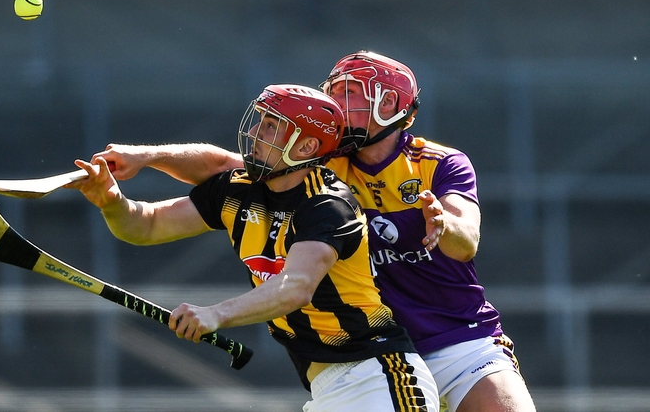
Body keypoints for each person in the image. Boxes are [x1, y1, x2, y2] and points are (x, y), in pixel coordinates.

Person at [87, 52, 537, 412]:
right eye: (335, 93)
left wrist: (441, 225)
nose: (341, 106)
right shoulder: (314, 159)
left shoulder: (438, 163)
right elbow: (221, 166)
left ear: (391, 107)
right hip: (359, 354)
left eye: (354, 96)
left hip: (455, 339)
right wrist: (141, 157)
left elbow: (466, 241)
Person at [68, 84, 439, 412]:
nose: (258, 132)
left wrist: (216, 314)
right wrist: (112, 203)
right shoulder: (237, 190)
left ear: (308, 146)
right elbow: (145, 226)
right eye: (261, 121)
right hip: (324, 384)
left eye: (273, 126)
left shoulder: (328, 204)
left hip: (378, 376)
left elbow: (296, 286)